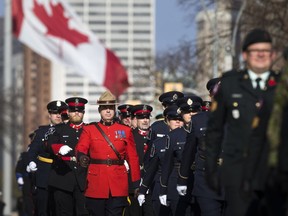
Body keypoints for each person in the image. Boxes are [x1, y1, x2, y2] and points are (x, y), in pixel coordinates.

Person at [205, 28, 280, 216]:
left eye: (266, 50)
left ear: (273, 55)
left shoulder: (281, 86)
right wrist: (211, 169)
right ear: (245, 55)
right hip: (238, 170)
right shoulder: (230, 85)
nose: (261, 55)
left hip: (274, 172)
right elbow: (215, 131)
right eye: (255, 51)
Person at [75, 90, 141, 216]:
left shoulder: (125, 131)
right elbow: (81, 147)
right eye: (105, 108)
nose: (108, 111)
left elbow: (133, 157)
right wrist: (82, 156)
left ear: (115, 109)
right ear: (100, 110)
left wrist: (136, 182)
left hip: (118, 183)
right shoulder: (89, 130)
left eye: (111, 108)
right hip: (96, 183)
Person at [177, 79, 226, 216]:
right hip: (206, 181)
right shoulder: (199, 120)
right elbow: (189, 151)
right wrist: (182, 179)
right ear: (211, 96)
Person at [137, 105, 184, 216]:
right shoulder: (159, 143)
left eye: (180, 119)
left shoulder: (190, 140)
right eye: (173, 119)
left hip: (182, 187)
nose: (177, 122)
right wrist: (143, 190)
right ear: (167, 121)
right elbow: (152, 167)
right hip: (161, 186)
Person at [47, 97, 89, 216]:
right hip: (63, 179)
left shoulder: (89, 129)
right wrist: (58, 148)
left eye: (80, 110)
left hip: (84, 180)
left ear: (84, 113)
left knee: (84, 212)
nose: (76, 113)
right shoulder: (58, 129)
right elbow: (48, 144)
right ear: (68, 112)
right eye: (73, 110)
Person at [26, 100, 67, 216]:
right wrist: (31, 161)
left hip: (61, 175)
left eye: (61, 112)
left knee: (60, 210)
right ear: (49, 115)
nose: (58, 116)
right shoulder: (41, 132)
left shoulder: (68, 130)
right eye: (55, 113)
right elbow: (33, 149)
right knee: (43, 209)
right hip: (44, 175)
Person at [124, 104, 154, 216]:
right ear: (136, 119)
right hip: (134, 184)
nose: (145, 121)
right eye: (142, 118)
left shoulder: (155, 134)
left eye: (147, 117)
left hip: (151, 183)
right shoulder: (130, 136)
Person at [15, 151, 34, 216]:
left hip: (37, 181)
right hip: (27, 181)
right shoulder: (24, 155)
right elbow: (18, 169)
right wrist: (19, 178)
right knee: (27, 201)